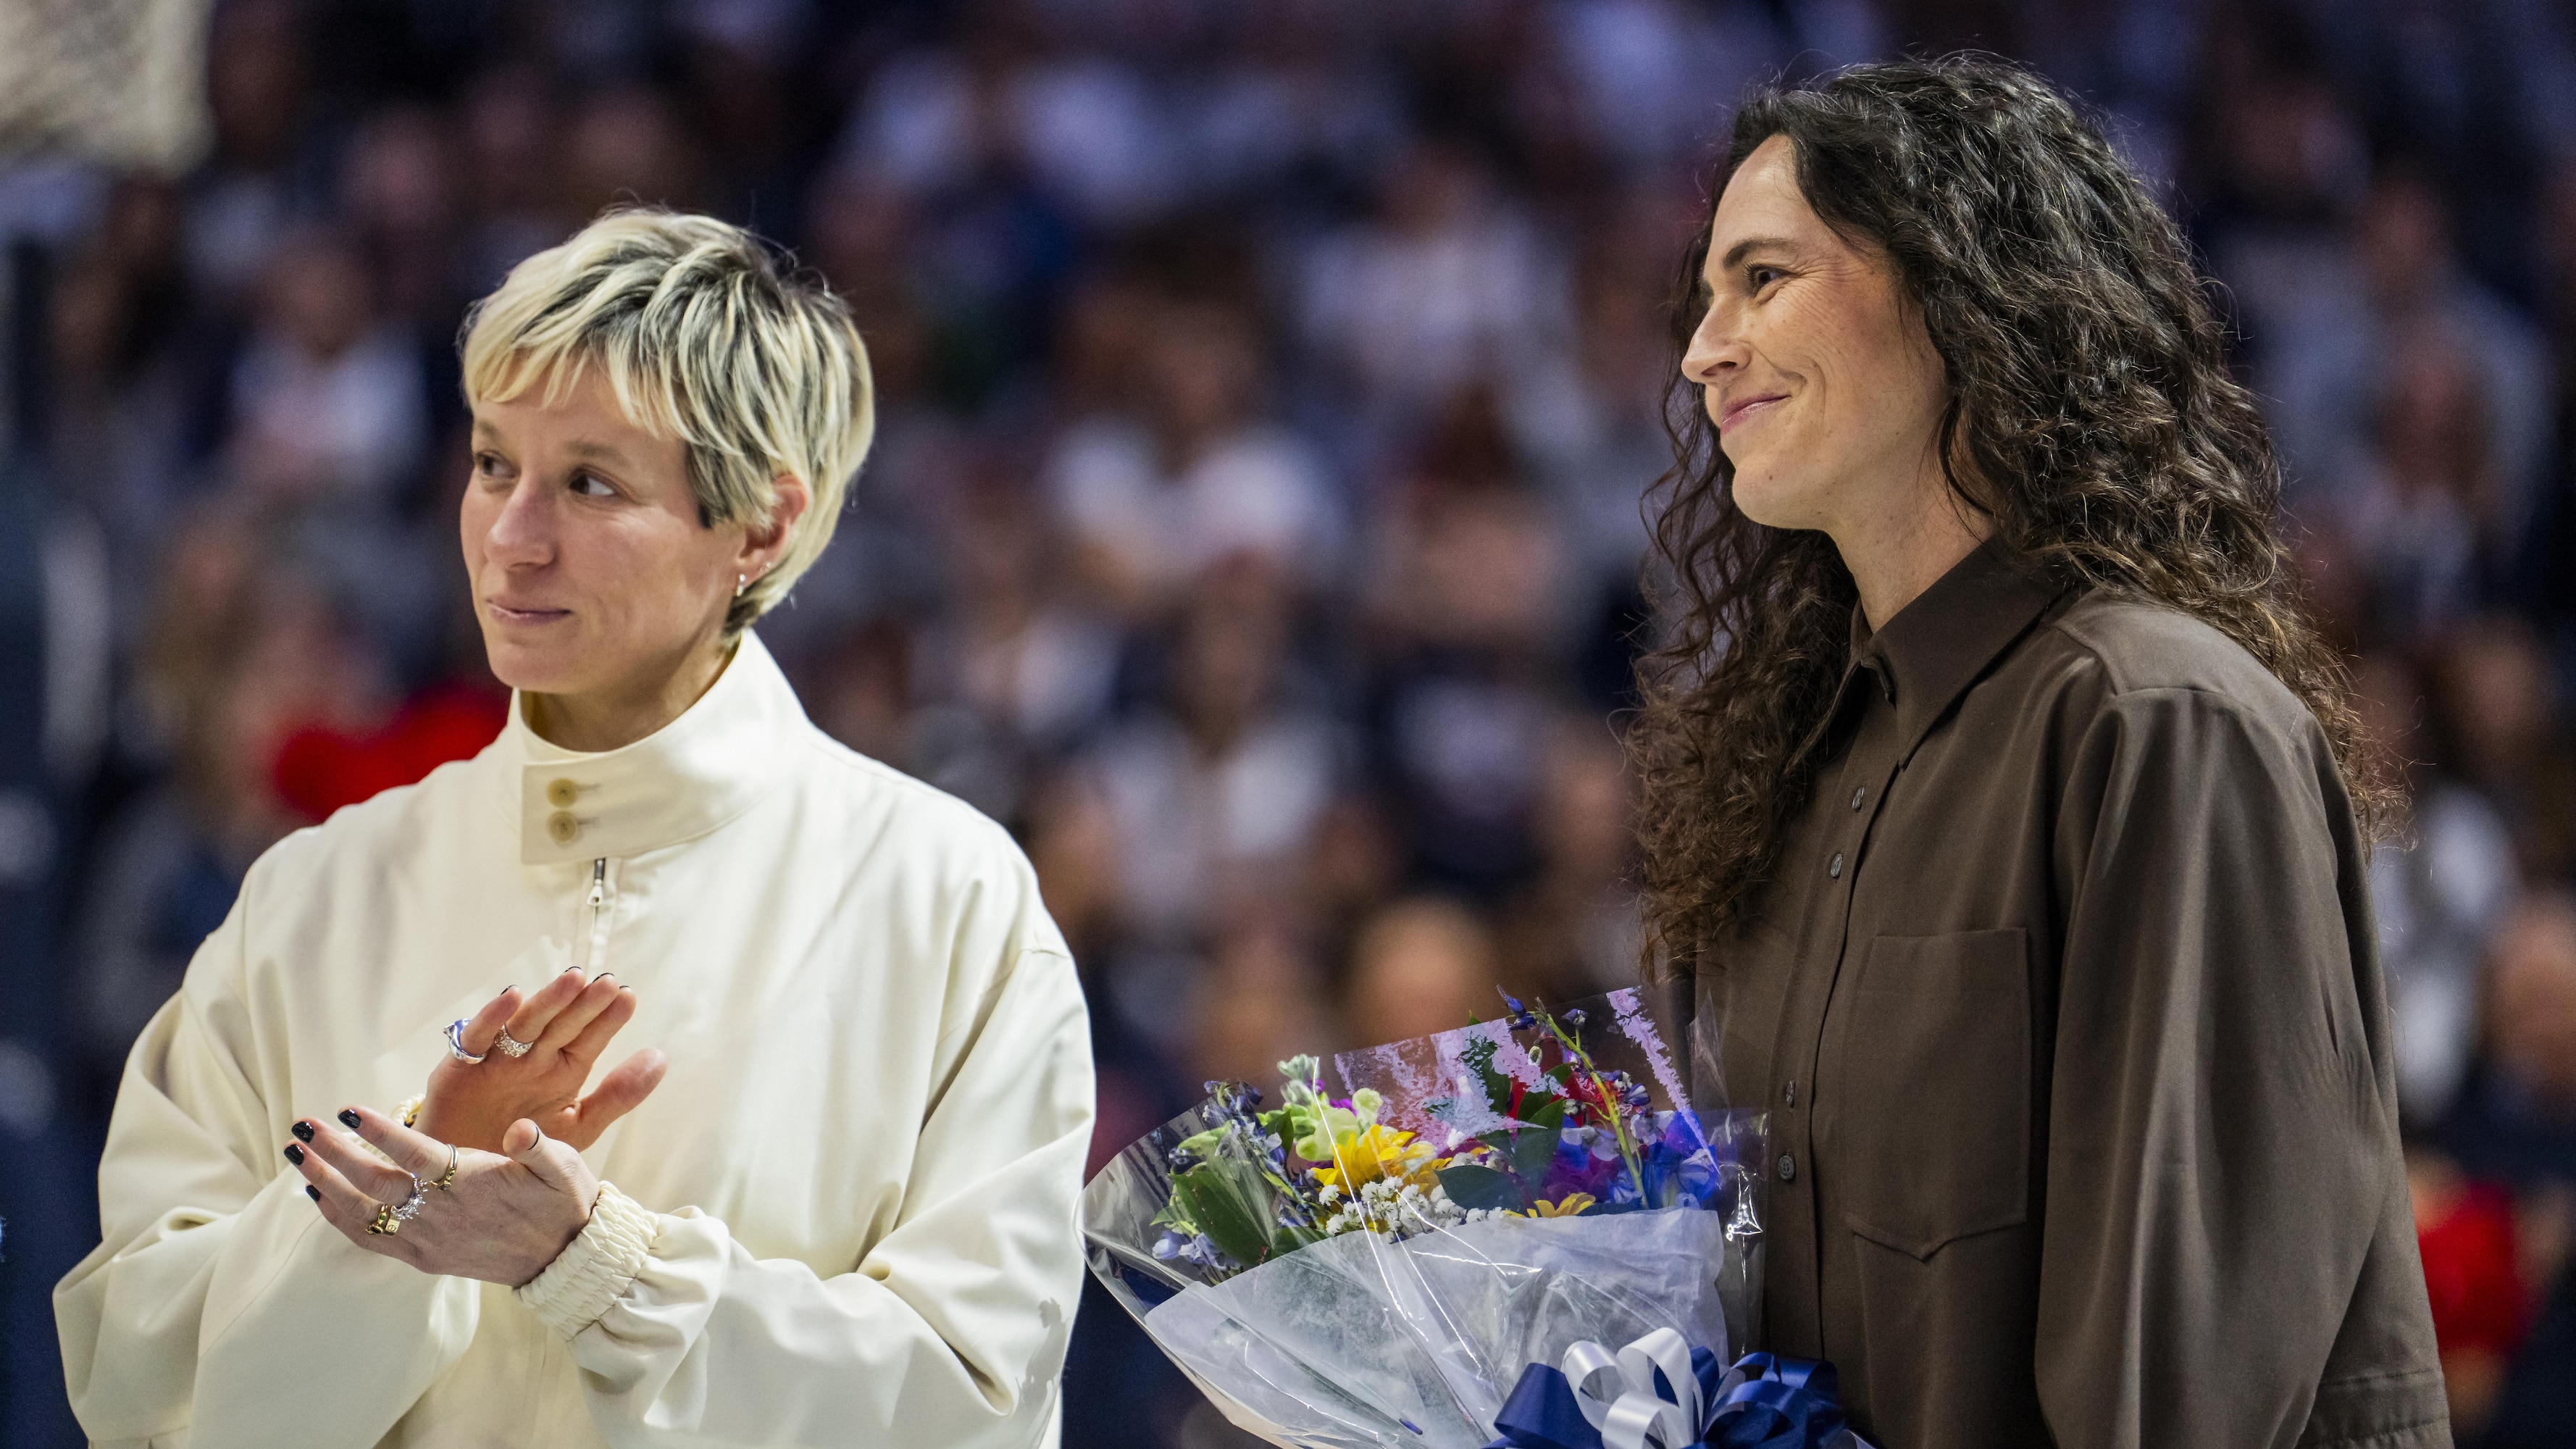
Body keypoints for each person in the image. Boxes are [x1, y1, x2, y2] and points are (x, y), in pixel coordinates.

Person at [54, 210, 1095, 1448]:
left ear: (758, 526)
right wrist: (395, 1219)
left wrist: (602, 1269)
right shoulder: (312, 894)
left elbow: (974, 1404)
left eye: (589, 483)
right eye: (494, 463)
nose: (509, 537)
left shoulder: (952, 905)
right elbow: (139, 1387)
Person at [1629, 58, 2447, 1448]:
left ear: (1962, 288)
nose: (1704, 349)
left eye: (1763, 279)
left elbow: (2185, 1387)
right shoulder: (1790, 766)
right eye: (1704, 297)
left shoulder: (2158, 724)